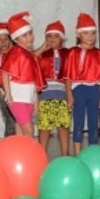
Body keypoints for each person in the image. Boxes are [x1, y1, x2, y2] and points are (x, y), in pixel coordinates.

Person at [63, 13, 100, 155]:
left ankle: (92, 153)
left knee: (93, 123)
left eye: (93, 33)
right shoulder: (73, 53)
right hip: (78, 90)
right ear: (79, 35)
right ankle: (78, 154)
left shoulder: (99, 54)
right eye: (86, 33)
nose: (90, 36)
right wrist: (69, 95)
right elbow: (68, 77)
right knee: (78, 122)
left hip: (94, 90)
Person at [1, 12, 46, 137]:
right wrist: (8, 95)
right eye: (24, 35)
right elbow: (5, 72)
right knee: (29, 131)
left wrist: (35, 100)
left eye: (30, 33)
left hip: (28, 98)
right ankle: (32, 155)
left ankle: (21, 154)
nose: (29, 37)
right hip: (17, 99)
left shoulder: (29, 54)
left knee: (21, 130)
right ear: (15, 39)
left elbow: (34, 80)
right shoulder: (15, 52)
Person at [35, 21, 71, 155]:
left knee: (63, 126)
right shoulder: (41, 54)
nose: (52, 39)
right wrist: (42, 49)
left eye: (56, 36)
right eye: (49, 36)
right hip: (45, 94)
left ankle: (65, 153)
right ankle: (41, 154)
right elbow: (29, 60)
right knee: (44, 127)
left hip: (62, 94)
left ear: (62, 38)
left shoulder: (68, 53)